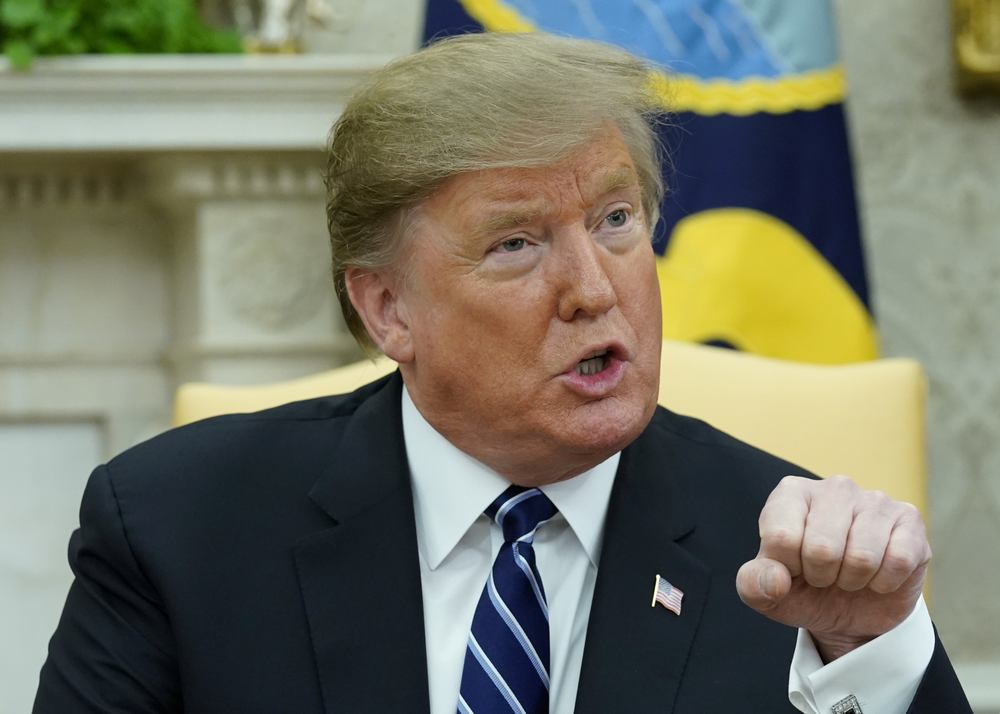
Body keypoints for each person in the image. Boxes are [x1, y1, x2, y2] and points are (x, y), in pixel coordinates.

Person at [34, 32, 970, 713]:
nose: (594, 290)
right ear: (388, 309)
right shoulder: (176, 528)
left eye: (615, 221)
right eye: (517, 244)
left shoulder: (788, 560)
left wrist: (872, 654)